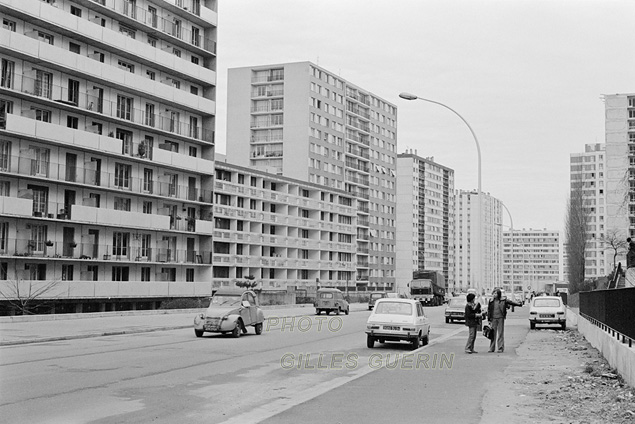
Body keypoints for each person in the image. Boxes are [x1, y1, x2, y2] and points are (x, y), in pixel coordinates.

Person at [487, 288, 522, 353]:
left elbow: (511, 302)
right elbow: (489, 310)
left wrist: (518, 304)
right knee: (492, 333)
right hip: (493, 318)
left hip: (500, 318)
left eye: (496, 293)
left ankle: (500, 348)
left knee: (500, 333)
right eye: (494, 293)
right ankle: (491, 348)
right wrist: (489, 319)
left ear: (499, 294)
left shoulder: (503, 300)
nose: (494, 295)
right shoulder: (491, 301)